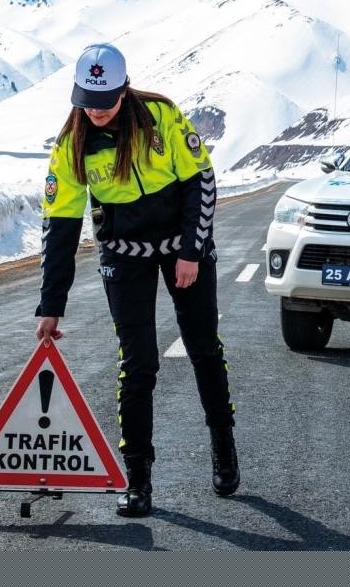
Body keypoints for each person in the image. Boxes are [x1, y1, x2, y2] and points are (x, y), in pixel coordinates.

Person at [35, 42, 238, 517]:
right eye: (87, 100)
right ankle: (138, 478)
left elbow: (201, 183)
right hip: (123, 257)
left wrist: (190, 251)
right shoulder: (72, 146)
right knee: (137, 361)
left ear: (124, 91)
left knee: (203, 346)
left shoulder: (161, 116)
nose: (97, 111)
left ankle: (224, 447)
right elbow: (59, 228)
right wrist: (50, 305)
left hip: (183, 248)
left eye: (105, 101)